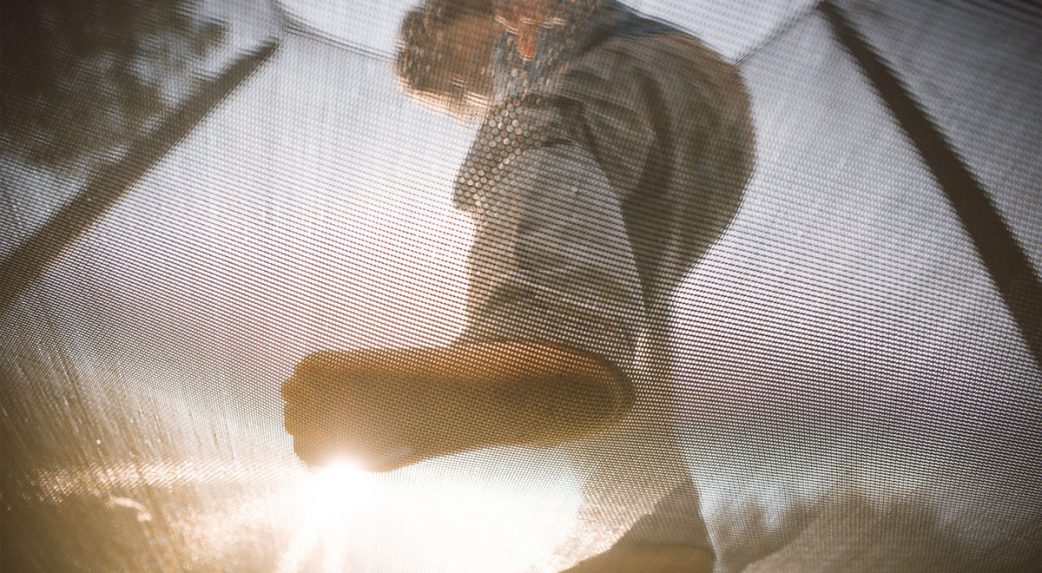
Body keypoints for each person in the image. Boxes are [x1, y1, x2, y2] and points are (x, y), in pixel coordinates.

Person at [281, 0, 755, 570]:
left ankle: (543, 322)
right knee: (616, 333)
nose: (461, 83)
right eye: (450, 87)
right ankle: (659, 534)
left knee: (522, 132)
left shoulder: (533, 30)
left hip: (649, 69)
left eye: (444, 59)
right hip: (711, 139)